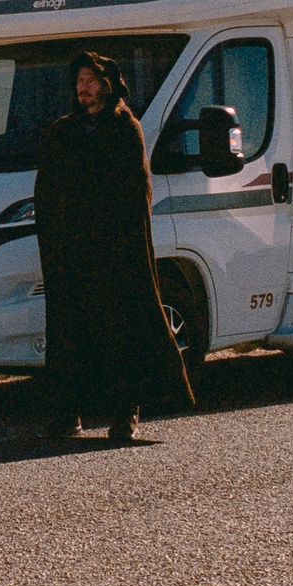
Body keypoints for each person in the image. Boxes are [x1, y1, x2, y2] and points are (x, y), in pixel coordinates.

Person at [32, 50, 194, 444]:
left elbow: (137, 192)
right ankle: (67, 414)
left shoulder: (125, 129)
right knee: (69, 334)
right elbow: (47, 192)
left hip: (114, 254)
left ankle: (126, 414)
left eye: (90, 80)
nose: (83, 88)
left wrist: (125, 246)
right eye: (79, 82)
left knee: (120, 333)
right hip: (72, 254)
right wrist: (55, 243)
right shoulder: (63, 132)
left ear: (106, 84)